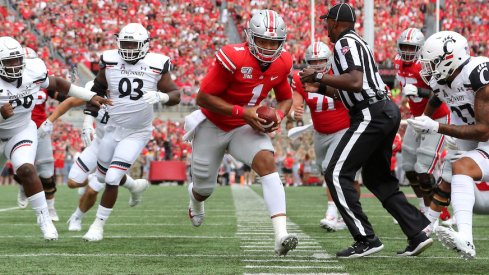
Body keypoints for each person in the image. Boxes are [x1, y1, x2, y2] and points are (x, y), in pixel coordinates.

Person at [299, 3, 432, 258]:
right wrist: (322, 87)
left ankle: (366, 238)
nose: (326, 26)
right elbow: (349, 88)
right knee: (377, 178)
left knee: (336, 173)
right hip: (382, 110)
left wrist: (317, 77)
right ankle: (417, 231)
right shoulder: (356, 42)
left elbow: (355, 82)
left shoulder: (344, 42)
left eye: (328, 21)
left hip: (371, 113)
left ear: (336, 22)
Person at [184, 10, 297, 256]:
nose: (268, 47)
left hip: (244, 127)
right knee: (204, 189)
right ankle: (195, 202)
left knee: (268, 163)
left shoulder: (283, 61)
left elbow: (286, 99)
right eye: (263, 41)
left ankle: (281, 235)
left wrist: (278, 115)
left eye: (273, 42)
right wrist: (242, 112)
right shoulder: (232, 57)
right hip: (213, 124)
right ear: (249, 37)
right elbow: (203, 97)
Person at [0, 36, 109, 240]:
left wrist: (89, 96)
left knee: (26, 168)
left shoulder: (32, 70)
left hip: (20, 130)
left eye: (17, 60)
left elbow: (59, 83)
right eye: (9, 61)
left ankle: (45, 219)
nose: (15, 65)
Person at [82, 23, 180, 241]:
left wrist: (162, 97)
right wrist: (88, 121)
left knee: (113, 177)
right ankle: (135, 187)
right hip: (112, 128)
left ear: (145, 45)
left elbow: (175, 94)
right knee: (101, 176)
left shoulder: (156, 64)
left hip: (137, 131)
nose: (128, 49)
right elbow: (96, 90)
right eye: (125, 43)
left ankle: (98, 226)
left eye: (133, 44)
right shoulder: (109, 61)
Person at [407, 31, 489, 259]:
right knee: (452, 171)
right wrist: (423, 119)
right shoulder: (444, 79)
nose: (427, 68)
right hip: (477, 139)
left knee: (461, 167)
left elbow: (484, 130)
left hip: (484, 134)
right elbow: (436, 97)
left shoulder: (478, 74)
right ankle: (428, 227)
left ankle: (466, 238)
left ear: (450, 59)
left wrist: (436, 127)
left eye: (432, 63)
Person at [290, 41, 352, 231]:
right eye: (313, 61)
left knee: (330, 168)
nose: (317, 65)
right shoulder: (301, 78)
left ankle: (332, 214)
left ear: (330, 60)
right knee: (325, 171)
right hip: (320, 132)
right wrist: (295, 113)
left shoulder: (338, 75)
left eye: (321, 60)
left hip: (343, 129)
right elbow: (296, 104)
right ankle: (345, 215)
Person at [394, 28, 451, 215]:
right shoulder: (397, 62)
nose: (407, 51)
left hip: (436, 118)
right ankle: (423, 206)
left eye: (412, 48)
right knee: (408, 168)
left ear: (420, 48)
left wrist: (420, 92)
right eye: (404, 47)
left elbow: (441, 93)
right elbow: (400, 85)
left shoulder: (426, 65)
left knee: (423, 171)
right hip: (416, 118)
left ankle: (443, 214)